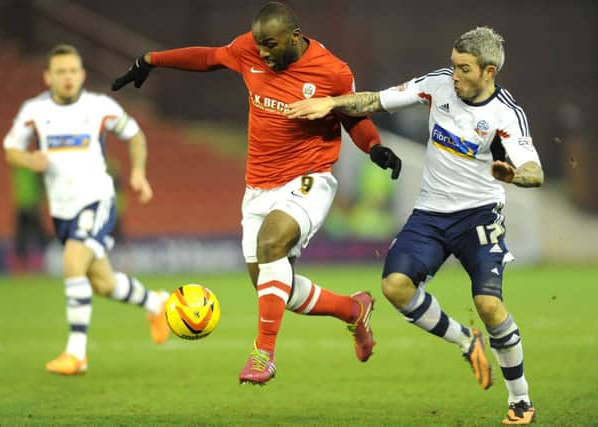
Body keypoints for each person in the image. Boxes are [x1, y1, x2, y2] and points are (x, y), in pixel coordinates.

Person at [112, 1, 401, 386]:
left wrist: (374, 147)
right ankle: (352, 309)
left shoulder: (332, 70)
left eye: (271, 44)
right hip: (258, 187)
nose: (263, 52)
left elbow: (354, 118)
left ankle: (263, 354)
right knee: (274, 286)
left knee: (271, 247)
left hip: (308, 177)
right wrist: (151, 59)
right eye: (260, 45)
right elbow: (209, 57)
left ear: (294, 37)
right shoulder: (248, 48)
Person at [286, 27, 542, 425]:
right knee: (395, 287)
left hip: (480, 214)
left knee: (489, 305)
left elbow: (534, 171)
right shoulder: (437, 85)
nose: (454, 74)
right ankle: (463, 339)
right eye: (454, 64)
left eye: (464, 68)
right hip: (430, 214)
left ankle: (520, 399)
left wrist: (512, 175)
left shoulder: (505, 114)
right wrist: (331, 103)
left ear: (489, 71)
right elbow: (375, 100)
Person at [3, 44, 170, 375]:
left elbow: (135, 135)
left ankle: (76, 353)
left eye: (72, 71)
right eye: (60, 72)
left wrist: (137, 172)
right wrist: (29, 158)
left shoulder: (99, 107)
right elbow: (11, 148)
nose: (67, 77)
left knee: (72, 262)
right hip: (62, 209)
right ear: (48, 76)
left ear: (82, 75)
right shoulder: (33, 111)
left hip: (96, 199)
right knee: (103, 283)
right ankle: (156, 304)